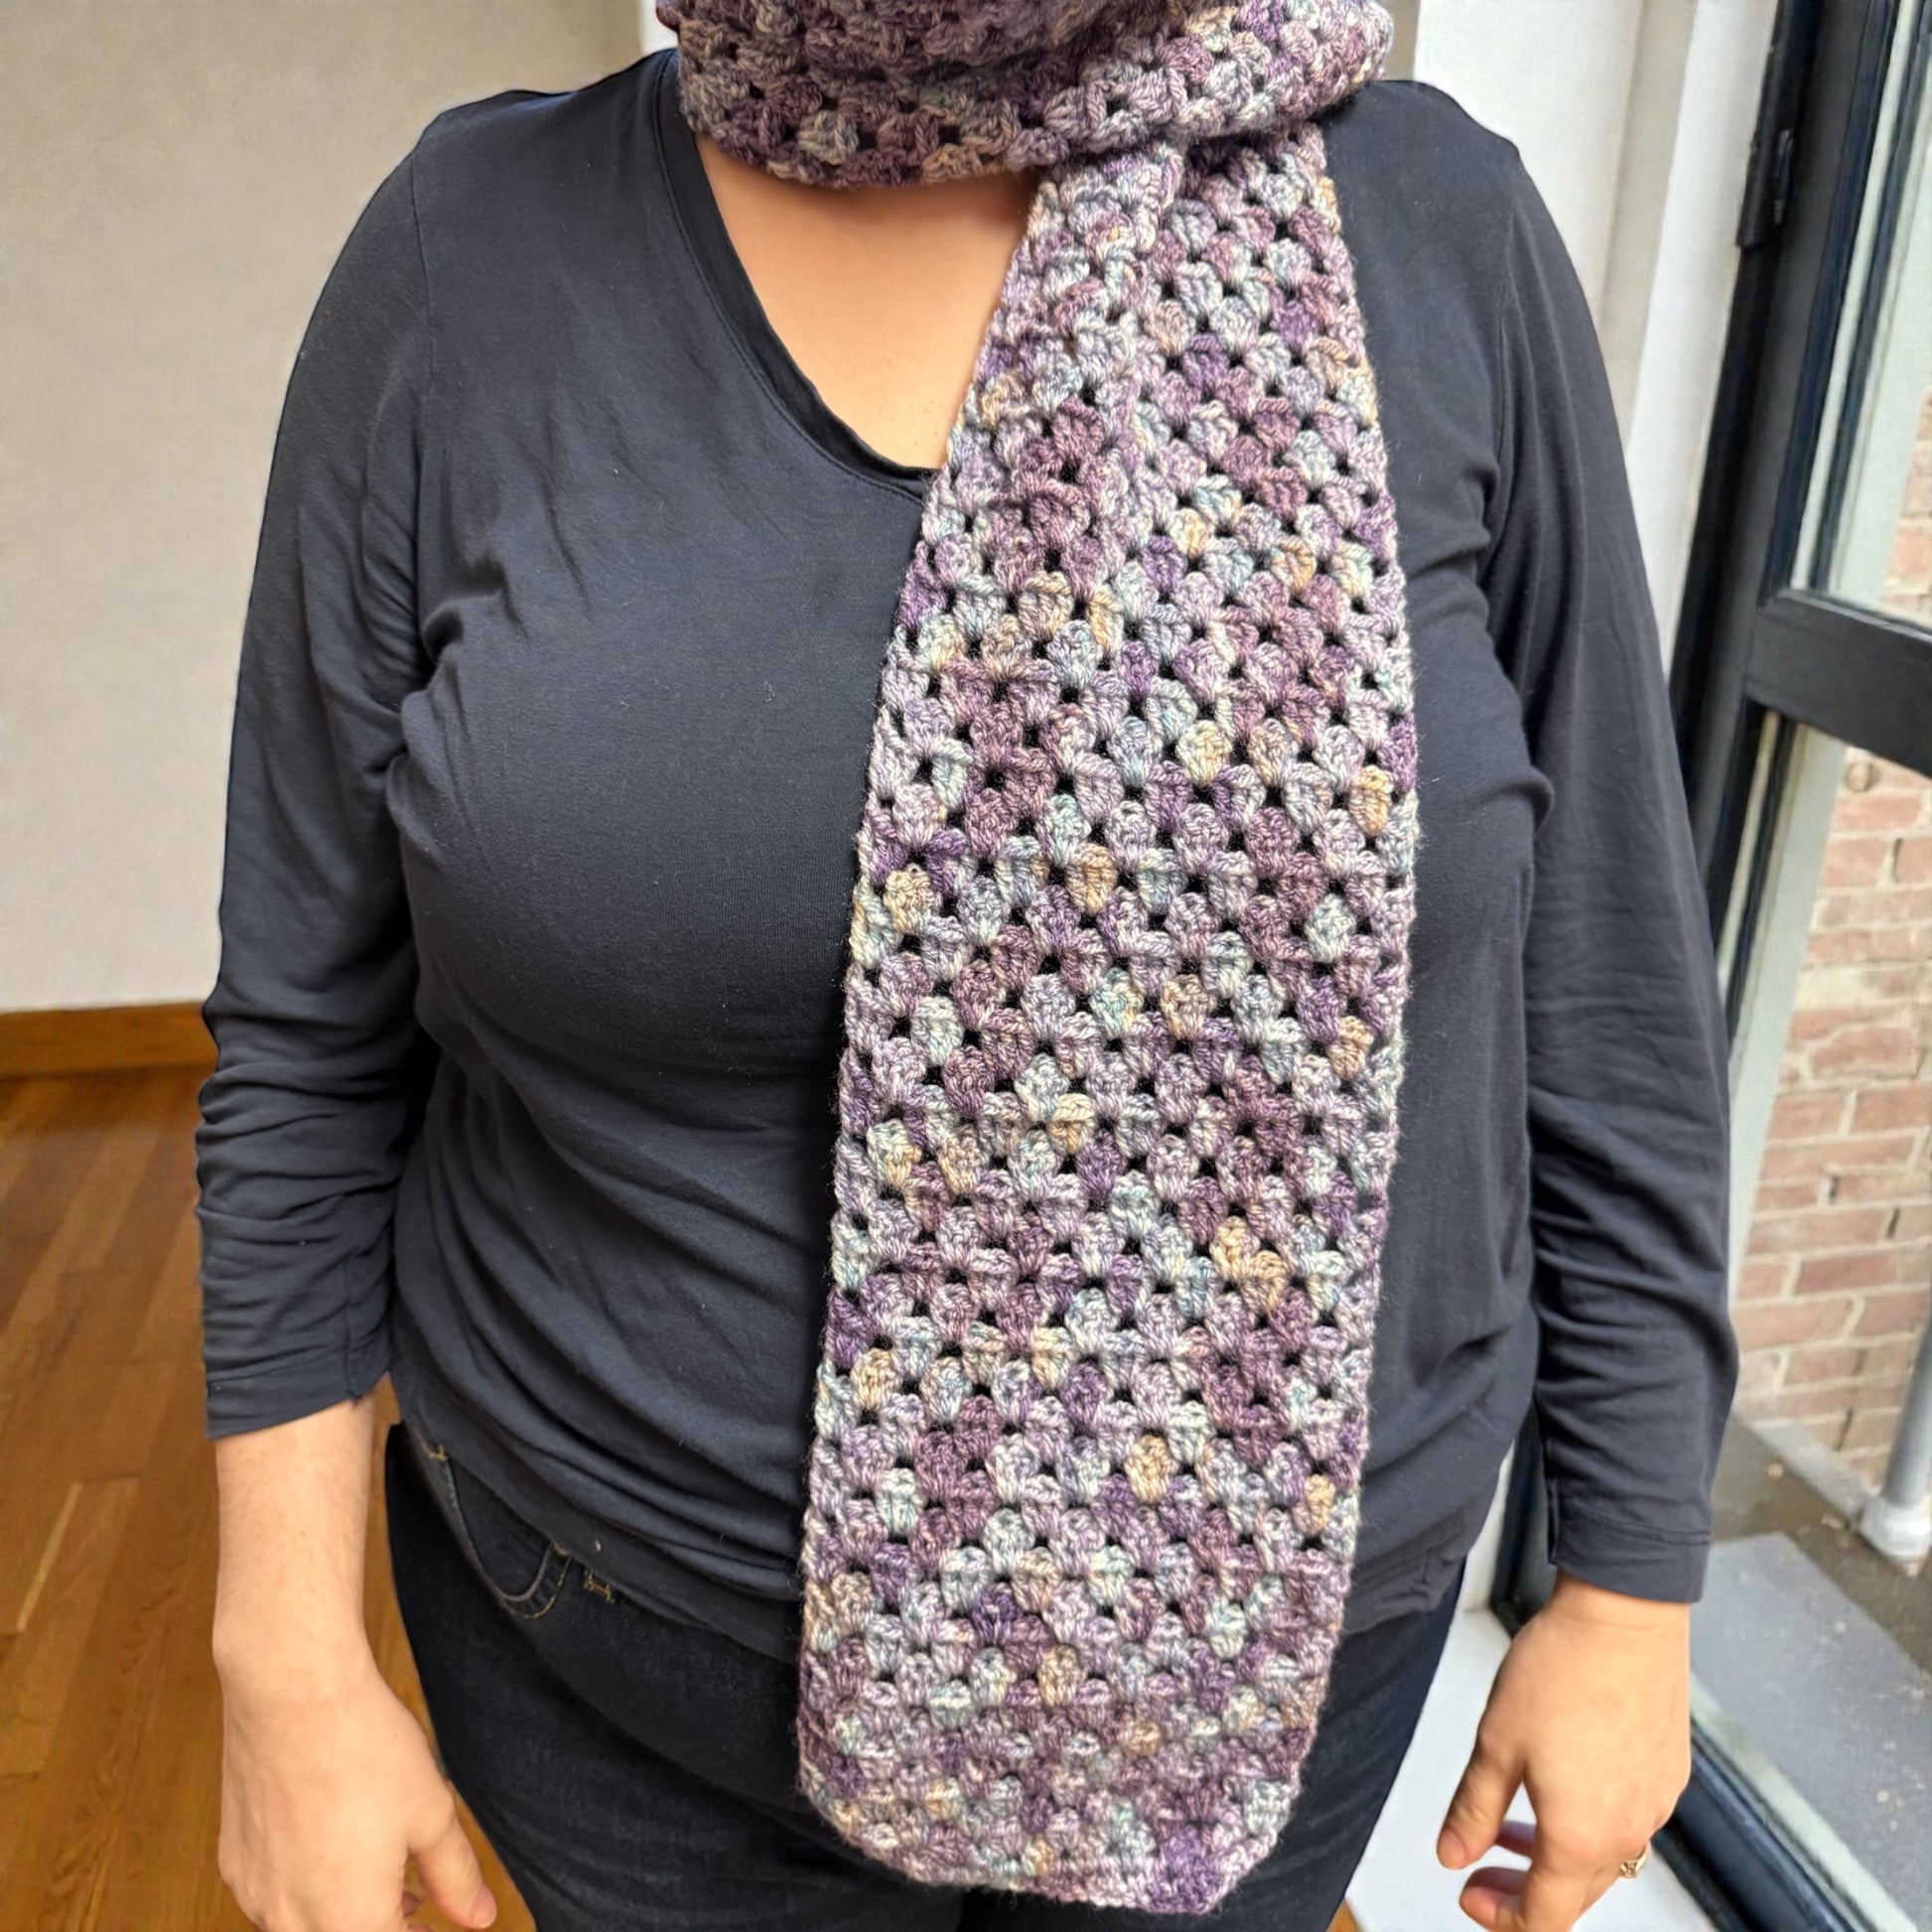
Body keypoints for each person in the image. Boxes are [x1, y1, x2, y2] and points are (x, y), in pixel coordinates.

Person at [196, 7, 1736, 1932]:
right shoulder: (473, 252)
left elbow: (1605, 989)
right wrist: (282, 1650)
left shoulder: (1437, 234)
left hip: (1273, 1671)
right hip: (622, 1655)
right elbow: (308, 1035)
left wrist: (1630, 1579)